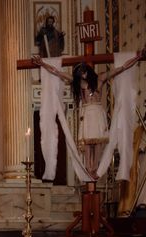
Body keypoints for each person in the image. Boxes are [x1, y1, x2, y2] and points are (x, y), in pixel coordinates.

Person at [33, 49, 146, 179]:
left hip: (98, 113)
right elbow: (57, 72)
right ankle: (88, 168)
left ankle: (95, 169)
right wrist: (42, 63)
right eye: (80, 73)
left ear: (88, 71)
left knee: (97, 142)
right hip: (86, 113)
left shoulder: (100, 78)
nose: (83, 74)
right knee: (87, 143)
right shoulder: (78, 83)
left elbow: (122, 68)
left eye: (84, 71)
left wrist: (137, 58)